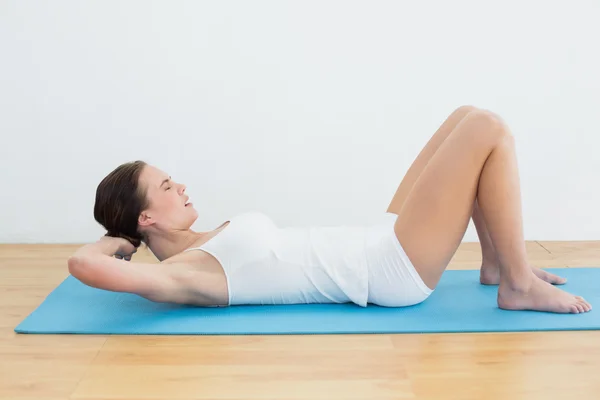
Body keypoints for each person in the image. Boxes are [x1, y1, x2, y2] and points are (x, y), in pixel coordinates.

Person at [68, 105, 592, 314]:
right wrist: (117, 244)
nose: (179, 185)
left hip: (376, 240)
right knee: (489, 131)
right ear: (145, 218)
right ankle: (517, 283)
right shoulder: (182, 276)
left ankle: (498, 263)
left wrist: (126, 239)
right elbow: (84, 266)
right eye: (164, 185)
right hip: (386, 272)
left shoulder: (199, 243)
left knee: (467, 118)